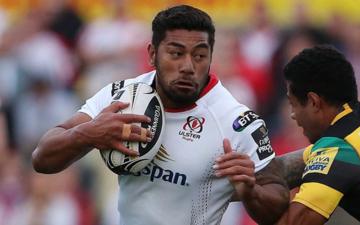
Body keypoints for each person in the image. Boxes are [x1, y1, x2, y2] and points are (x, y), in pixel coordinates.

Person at [32, 5, 289, 225]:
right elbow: (42, 158)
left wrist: (251, 192)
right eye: (176, 54)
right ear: (152, 54)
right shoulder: (123, 96)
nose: (188, 66)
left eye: (200, 55)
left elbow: (278, 201)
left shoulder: (235, 120)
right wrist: (88, 134)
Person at [274, 45, 360, 225]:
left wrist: (249, 193)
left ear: (313, 102)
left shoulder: (338, 151)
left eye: (293, 104)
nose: (292, 114)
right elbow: (284, 167)